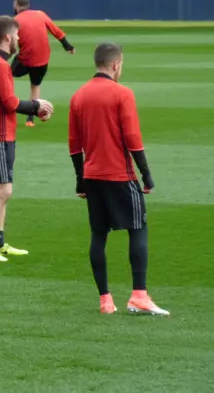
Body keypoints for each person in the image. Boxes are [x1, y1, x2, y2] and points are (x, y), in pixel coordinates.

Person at [68, 42, 169, 316]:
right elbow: (132, 139)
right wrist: (146, 175)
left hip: (92, 176)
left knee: (98, 235)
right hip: (120, 175)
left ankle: (105, 300)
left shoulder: (78, 96)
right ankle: (139, 295)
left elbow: (74, 145)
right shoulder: (122, 94)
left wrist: (80, 179)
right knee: (138, 228)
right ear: (115, 65)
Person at [0, 16, 54, 262]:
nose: (19, 40)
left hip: (3, 134)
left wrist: (34, 108)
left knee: (1, 191)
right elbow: (10, 103)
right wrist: (37, 105)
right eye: (17, 36)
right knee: (2, 191)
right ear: (8, 37)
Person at [11, 0, 75, 127]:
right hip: (42, 61)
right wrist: (68, 46)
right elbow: (55, 30)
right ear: (28, 4)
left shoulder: (15, 21)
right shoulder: (40, 14)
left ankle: (8, 104)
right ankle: (30, 118)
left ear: (16, 4)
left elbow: (11, 44)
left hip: (25, 61)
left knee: (6, 74)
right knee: (35, 85)